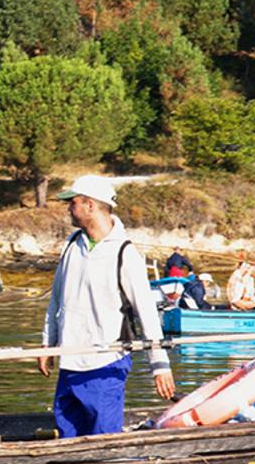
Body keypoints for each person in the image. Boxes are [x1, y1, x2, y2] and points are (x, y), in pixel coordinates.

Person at [38, 175, 177, 438]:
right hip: (69, 360)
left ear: (90, 205)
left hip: (104, 363)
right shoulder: (71, 245)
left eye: (73, 202)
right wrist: (48, 344)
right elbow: (56, 300)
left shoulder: (124, 253)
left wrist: (159, 365)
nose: (69, 208)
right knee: (68, 436)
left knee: (104, 438)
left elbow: (146, 312)